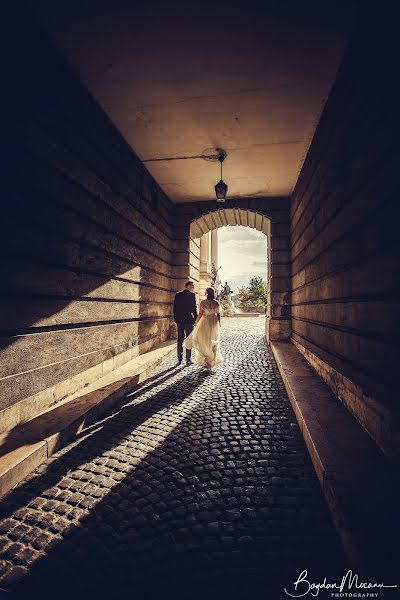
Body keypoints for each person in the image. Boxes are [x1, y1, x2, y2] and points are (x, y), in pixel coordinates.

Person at [185, 287, 223, 372]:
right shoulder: (216, 303)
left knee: (203, 340)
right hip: (214, 322)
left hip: (205, 322)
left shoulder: (203, 303)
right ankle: (211, 360)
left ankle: (206, 360)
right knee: (213, 340)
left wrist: (196, 322)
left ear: (207, 293)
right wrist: (219, 323)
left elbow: (201, 314)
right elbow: (218, 314)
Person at [173, 281, 197, 365]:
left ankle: (179, 359)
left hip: (180, 320)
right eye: (192, 286)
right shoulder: (192, 295)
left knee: (180, 339)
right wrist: (195, 321)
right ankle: (188, 359)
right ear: (188, 286)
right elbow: (194, 309)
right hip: (189, 320)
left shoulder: (178, 294)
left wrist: (176, 319)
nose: (193, 288)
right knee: (188, 340)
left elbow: (175, 308)